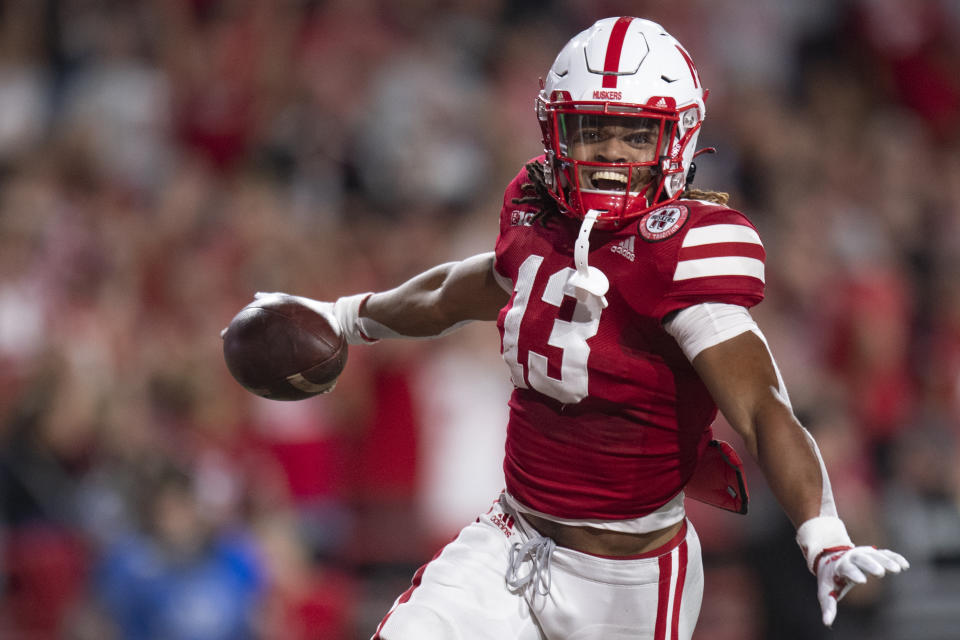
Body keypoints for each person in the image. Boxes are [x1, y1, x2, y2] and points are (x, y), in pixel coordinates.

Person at [247, 17, 909, 639]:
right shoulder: (536, 215)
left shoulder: (683, 256)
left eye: (634, 134)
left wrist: (823, 535)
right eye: (591, 130)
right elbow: (464, 287)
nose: (610, 153)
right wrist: (349, 316)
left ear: (677, 138)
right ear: (555, 133)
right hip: (511, 540)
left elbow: (764, 408)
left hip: (630, 581)